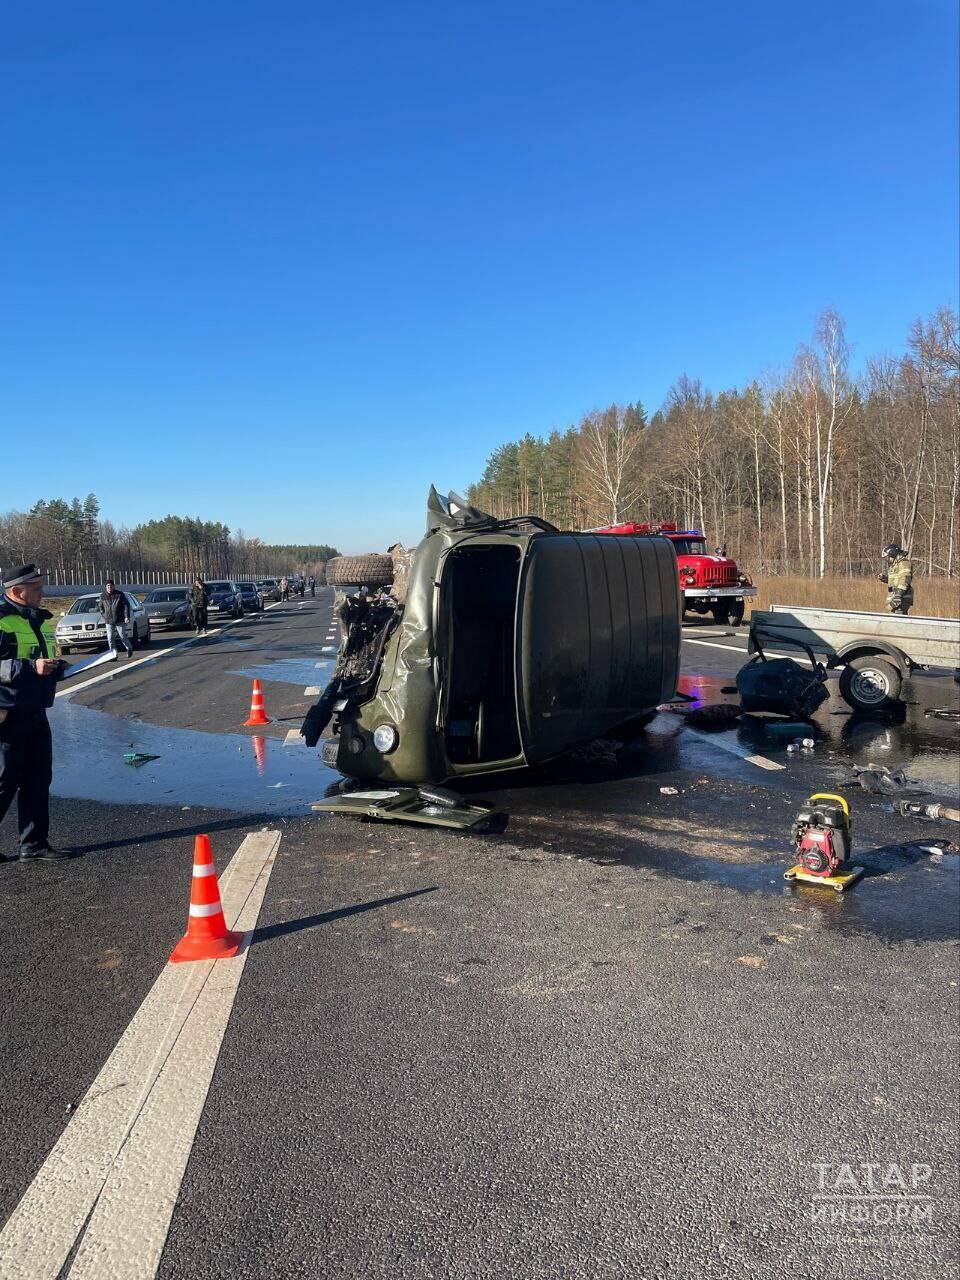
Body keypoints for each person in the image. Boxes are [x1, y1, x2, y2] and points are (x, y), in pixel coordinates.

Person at [0, 564, 70, 861]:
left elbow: (42, 658)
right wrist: (31, 667)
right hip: (7, 714)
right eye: (37, 589)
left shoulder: (39, 620)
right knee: (5, 782)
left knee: (38, 779)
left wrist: (55, 668)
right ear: (17, 591)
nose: (43, 593)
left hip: (35, 711)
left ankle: (34, 844)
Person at [98, 579, 133, 659]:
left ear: (113, 586)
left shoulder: (119, 594)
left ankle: (129, 648)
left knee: (122, 636)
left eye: (111, 585)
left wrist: (126, 616)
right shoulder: (102, 596)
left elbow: (126, 605)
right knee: (110, 637)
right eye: (108, 586)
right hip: (109, 620)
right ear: (105, 587)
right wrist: (104, 615)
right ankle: (113, 654)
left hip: (119, 619)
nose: (109, 587)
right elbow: (100, 607)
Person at [879, 544, 914, 615]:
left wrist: (898, 595)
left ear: (893, 554)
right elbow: (897, 581)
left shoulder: (904, 563)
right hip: (896, 598)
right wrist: (886, 579)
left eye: (887, 557)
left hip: (901, 598)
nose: (887, 559)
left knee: (898, 621)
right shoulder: (896, 565)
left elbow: (905, 580)